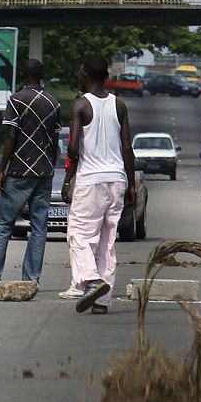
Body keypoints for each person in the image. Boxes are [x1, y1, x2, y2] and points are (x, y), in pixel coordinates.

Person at [0, 58, 59, 291]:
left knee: (3, 224)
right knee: (39, 227)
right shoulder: (53, 102)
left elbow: (11, 136)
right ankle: (31, 278)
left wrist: (2, 168)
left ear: (23, 75)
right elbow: (54, 140)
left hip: (19, 170)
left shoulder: (17, 99)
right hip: (44, 171)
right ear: (41, 76)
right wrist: (50, 165)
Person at [61, 54, 135, 314]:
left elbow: (73, 148)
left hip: (90, 181)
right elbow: (127, 148)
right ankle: (102, 302)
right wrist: (132, 184)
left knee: (79, 235)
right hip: (117, 180)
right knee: (107, 242)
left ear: (85, 75)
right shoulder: (119, 105)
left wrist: (68, 178)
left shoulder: (81, 105)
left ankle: (91, 280)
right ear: (106, 76)